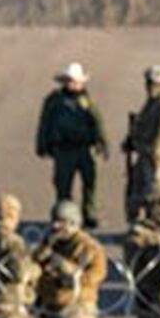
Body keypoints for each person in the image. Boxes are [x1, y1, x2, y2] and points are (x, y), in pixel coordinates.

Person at [36, 62, 107, 225]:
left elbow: (97, 122)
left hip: (84, 149)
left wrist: (102, 143)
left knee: (90, 183)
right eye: (68, 81)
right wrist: (42, 144)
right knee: (63, 185)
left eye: (74, 81)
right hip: (63, 149)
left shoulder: (87, 101)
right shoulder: (54, 100)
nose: (71, 84)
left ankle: (89, 214)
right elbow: (44, 122)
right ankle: (64, 214)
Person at [122, 66, 160, 223]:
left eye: (153, 83)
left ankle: (158, 225)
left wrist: (155, 151)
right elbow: (142, 125)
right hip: (145, 154)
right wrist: (132, 141)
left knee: (157, 194)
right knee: (137, 192)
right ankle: (138, 225)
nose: (149, 86)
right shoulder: (152, 102)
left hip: (158, 158)